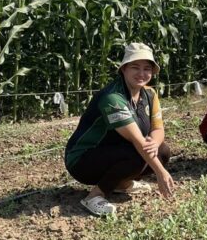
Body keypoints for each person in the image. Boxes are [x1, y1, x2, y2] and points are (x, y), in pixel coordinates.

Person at [64, 43, 175, 216]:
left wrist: (154, 143)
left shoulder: (150, 94)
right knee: (137, 155)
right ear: (124, 69)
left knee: (162, 151)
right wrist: (161, 173)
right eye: (135, 67)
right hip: (83, 159)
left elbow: (158, 128)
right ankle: (94, 196)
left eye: (147, 68)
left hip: (115, 151)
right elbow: (137, 140)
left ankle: (121, 184)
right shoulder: (113, 98)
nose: (141, 73)